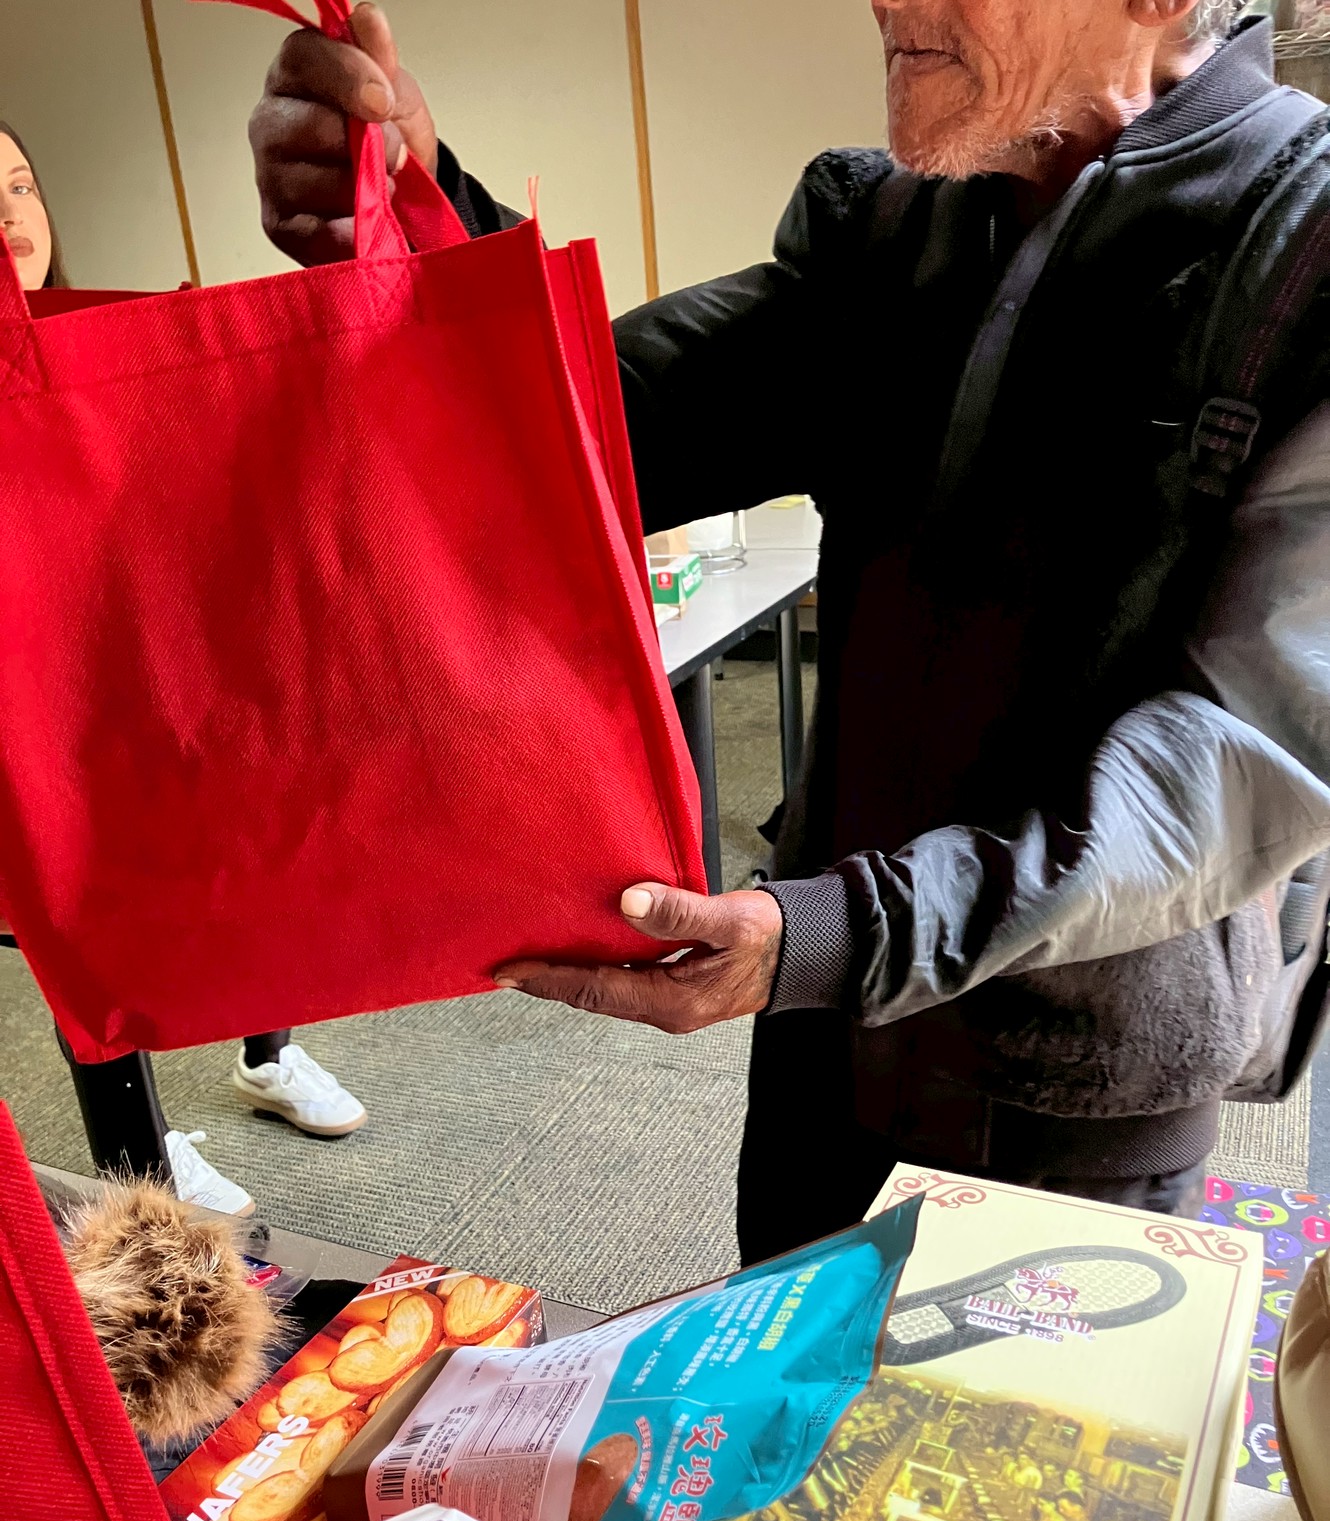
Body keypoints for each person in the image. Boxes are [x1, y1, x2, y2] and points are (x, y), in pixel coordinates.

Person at [248, 0, 1330, 1261]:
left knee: (984, 1400)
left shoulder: (1302, 245)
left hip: (1069, 1066)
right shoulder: (897, 220)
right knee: (777, 1370)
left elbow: (1249, 751)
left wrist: (834, 935)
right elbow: (584, 439)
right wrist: (416, 223)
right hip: (823, 1018)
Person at [1, 122, 367, 1216]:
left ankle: (267, 1054)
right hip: (37, 706)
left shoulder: (96, 339)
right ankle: (142, 1159)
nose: (11, 215)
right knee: (91, 926)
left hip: (151, 663)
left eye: (20, 184)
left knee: (242, 854)